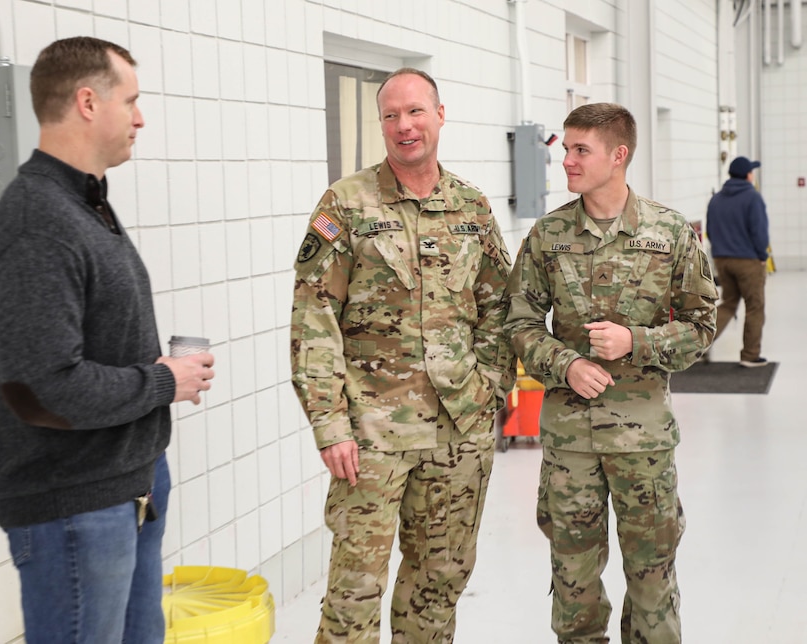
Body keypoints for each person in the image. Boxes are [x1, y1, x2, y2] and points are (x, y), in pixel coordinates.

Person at [0, 37, 215, 644]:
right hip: (75, 507)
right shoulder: (38, 219)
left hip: (125, 487)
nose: (140, 117)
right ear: (88, 102)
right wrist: (163, 380)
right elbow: (39, 389)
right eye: (130, 101)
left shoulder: (84, 205)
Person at [290, 68, 515, 643]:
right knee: (354, 590)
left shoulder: (471, 206)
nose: (403, 126)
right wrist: (330, 423)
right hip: (372, 433)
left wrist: (488, 387)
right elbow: (314, 321)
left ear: (440, 115)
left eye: (414, 111)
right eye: (390, 115)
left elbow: (501, 305)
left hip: (458, 431)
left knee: (439, 583)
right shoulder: (347, 203)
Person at [504, 103, 717, 643]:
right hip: (570, 442)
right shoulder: (547, 236)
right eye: (566, 149)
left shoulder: (669, 233)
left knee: (652, 580)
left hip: (642, 439)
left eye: (581, 150)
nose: (567, 162)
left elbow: (702, 325)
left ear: (618, 155)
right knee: (573, 584)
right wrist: (565, 363)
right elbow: (519, 323)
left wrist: (636, 342)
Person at [705, 155, 770, 367]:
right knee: (754, 306)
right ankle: (750, 356)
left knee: (728, 304)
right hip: (748, 261)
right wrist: (762, 256)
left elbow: (711, 232)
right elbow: (759, 232)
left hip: (722, 260)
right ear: (748, 175)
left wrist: (720, 254)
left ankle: (699, 345)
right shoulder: (753, 197)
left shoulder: (716, 199)